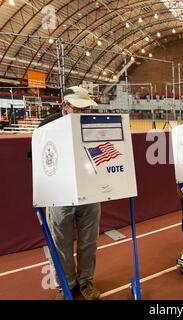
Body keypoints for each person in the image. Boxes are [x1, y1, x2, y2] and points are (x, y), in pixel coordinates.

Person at [33, 87, 101, 300]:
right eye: (79, 108)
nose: (84, 113)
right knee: (61, 242)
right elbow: (36, 160)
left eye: (87, 108)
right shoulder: (46, 125)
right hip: (59, 194)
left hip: (89, 192)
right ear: (65, 105)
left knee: (89, 240)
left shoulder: (94, 123)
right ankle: (66, 284)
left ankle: (85, 281)